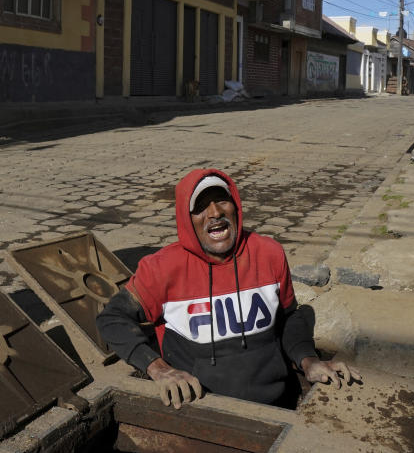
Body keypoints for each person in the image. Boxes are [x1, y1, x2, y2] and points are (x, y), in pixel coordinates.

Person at [97, 168, 361, 409]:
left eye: (222, 201)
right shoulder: (162, 268)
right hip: (200, 407)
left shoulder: (268, 253)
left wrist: (308, 360)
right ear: (187, 219)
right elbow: (112, 319)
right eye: (200, 207)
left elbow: (290, 316)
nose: (214, 213)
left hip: (277, 404)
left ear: (235, 207)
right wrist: (157, 367)